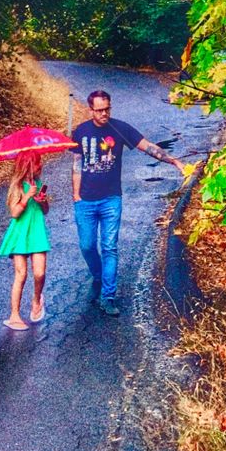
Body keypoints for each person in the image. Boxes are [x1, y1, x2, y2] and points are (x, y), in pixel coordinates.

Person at [71, 89, 182, 316]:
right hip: (85, 201)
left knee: (110, 247)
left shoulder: (119, 128)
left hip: (111, 199)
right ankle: (98, 276)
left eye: (107, 109)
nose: (104, 114)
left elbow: (148, 147)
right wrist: (76, 195)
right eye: (99, 110)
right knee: (87, 246)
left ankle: (108, 297)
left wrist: (174, 161)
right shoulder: (80, 132)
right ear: (91, 109)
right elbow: (76, 165)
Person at [0, 150, 50, 330]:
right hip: (20, 234)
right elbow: (14, 213)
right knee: (21, 274)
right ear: (28, 165)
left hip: (36, 232)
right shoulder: (17, 186)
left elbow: (45, 210)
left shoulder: (38, 183)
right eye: (37, 163)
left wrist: (42, 201)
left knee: (39, 273)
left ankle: (37, 300)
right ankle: (14, 315)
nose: (40, 165)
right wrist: (28, 197)